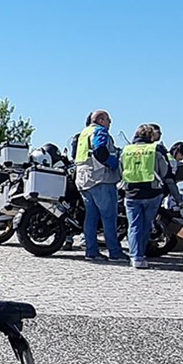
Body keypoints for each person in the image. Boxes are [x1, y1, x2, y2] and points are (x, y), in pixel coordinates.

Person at [121, 124, 182, 269]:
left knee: (134, 225)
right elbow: (165, 172)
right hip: (152, 193)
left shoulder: (126, 150)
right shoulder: (155, 150)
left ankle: (135, 256)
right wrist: (177, 197)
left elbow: (120, 169)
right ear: (150, 136)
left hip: (131, 192)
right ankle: (141, 255)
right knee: (146, 225)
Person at [74, 109, 127, 262]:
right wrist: (113, 164)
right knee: (109, 216)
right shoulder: (100, 131)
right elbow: (100, 151)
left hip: (83, 179)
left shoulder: (84, 133)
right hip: (101, 178)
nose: (110, 124)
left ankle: (91, 251)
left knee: (91, 217)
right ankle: (115, 252)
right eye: (109, 120)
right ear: (102, 120)